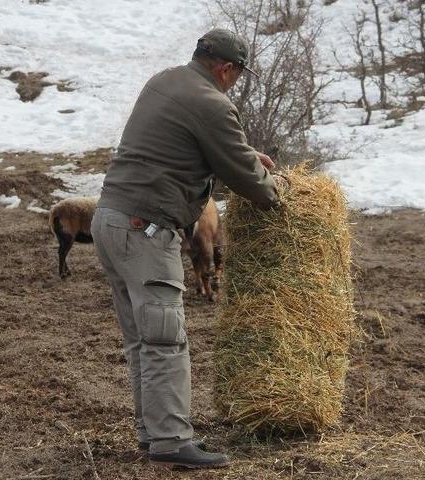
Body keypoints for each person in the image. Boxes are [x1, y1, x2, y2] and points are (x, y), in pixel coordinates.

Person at [91, 28, 280, 470]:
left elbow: (179, 143)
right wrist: (278, 189)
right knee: (164, 338)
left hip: (110, 220)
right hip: (145, 230)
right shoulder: (213, 102)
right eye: (236, 74)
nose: (234, 82)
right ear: (225, 67)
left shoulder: (165, 81)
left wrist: (244, 153)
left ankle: (152, 434)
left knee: (142, 338)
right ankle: (172, 441)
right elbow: (254, 185)